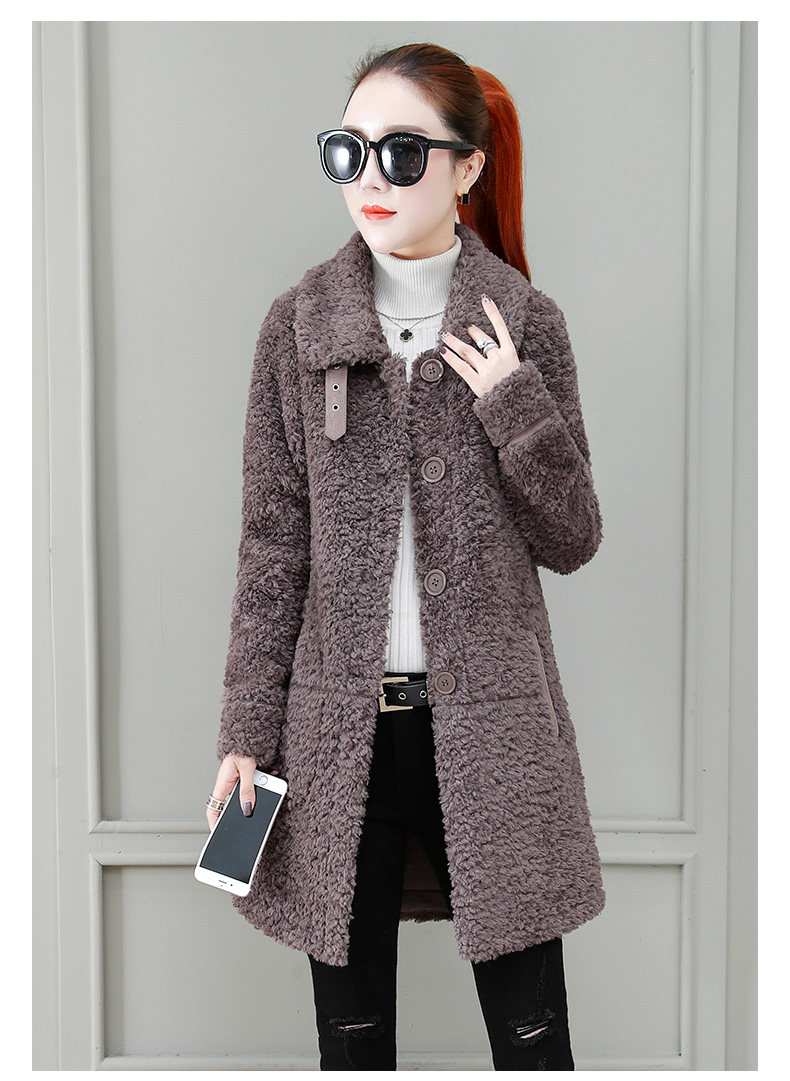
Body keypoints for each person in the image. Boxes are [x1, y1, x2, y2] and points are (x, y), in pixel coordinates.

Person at [206, 41, 606, 1071]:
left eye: (402, 151)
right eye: (350, 150)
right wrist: (245, 732)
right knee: (352, 1045)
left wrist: (513, 402)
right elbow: (271, 551)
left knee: (533, 1042)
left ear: (468, 166)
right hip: (336, 738)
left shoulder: (525, 325)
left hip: (494, 732)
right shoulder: (299, 328)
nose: (370, 178)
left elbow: (572, 537)